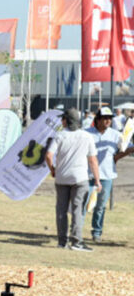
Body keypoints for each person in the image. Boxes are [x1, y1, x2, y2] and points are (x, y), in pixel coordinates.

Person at [45, 108, 101, 251]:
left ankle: (62, 241)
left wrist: (53, 169)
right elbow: (93, 160)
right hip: (80, 177)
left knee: (61, 210)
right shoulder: (87, 136)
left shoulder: (60, 135)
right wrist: (97, 180)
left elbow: (48, 156)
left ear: (66, 120)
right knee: (77, 209)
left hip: (62, 177)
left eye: (63, 119)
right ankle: (76, 241)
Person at [84, 107, 134, 241]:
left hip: (107, 175)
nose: (108, 121)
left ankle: (97, 232)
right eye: (105, 118)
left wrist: (117, 157)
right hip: (87, 175)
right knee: (83, 204)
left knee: (100, 206)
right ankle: (76, 231)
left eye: (110, 118)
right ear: (98, 119)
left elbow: (127, 147)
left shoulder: (116, 135)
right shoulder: (86, 133)